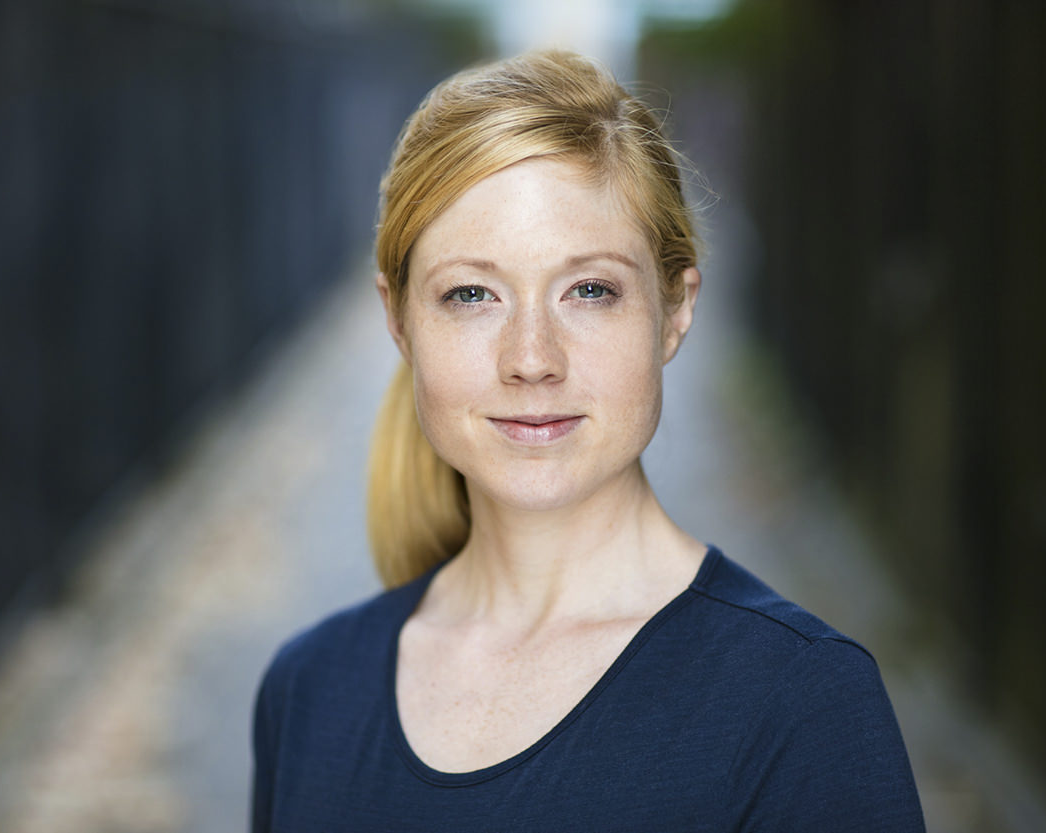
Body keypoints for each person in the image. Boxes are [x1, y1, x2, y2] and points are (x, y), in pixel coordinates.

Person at [251, 50, 924, 832]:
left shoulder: (802, 706)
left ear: (674, 310)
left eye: (590, 290)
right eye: (471, 294)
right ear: (399, 320)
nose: (532, 358)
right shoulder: (308, 692)